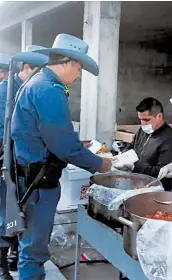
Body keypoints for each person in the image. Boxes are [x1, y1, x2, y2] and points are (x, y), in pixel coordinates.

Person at [11, 33, 112, 280]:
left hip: (30, 176)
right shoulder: (47, 89)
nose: (78, 76)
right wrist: (100, 163)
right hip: (37, 183)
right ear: (66, 61)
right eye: (78, 68)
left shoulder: (38, 83)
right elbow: (63, 145)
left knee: (31, 246)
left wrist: (76, 144)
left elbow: (50, 134)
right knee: (34, 250)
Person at [0, 46, 48, 280]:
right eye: (39, 70)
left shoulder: (30, 88)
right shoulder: (6, 90)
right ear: (26, 67)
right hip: (6, 159)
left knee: (21, 213)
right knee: (5, 213)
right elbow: (5, 131)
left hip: (21, 162)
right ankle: (1, 268)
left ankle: (14, 256)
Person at [115, 97, 172, 191]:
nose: (142, 124)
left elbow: (162, 172)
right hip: (136, 183)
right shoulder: (143, 130)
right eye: (140, 120)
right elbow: (131, 147)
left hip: (156, 189)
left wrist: (135, 167)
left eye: (146, 120)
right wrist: (124, 157)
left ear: (159, 117)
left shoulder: (170, 139)